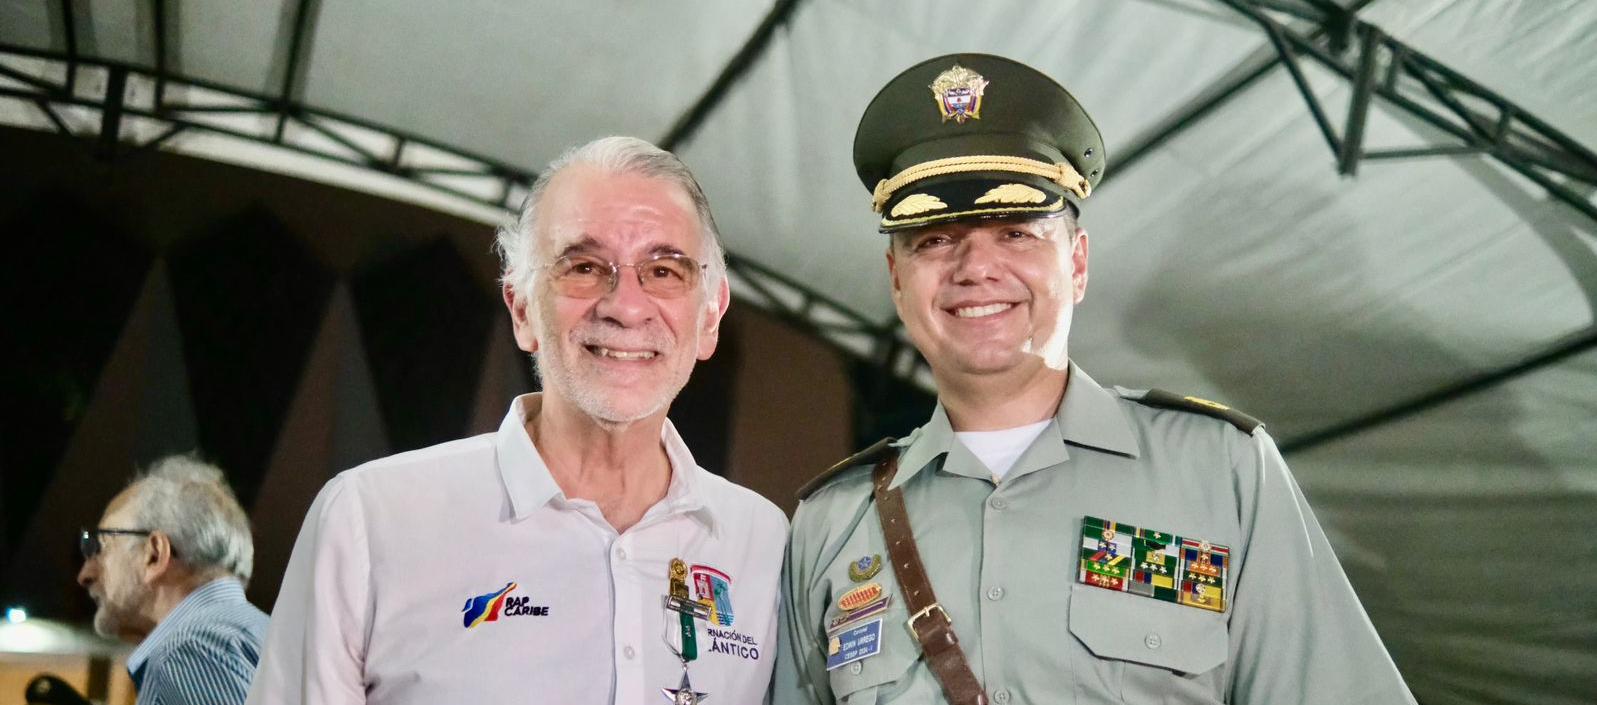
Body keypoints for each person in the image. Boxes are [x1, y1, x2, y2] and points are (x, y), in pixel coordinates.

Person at [775, 54, 1416, 705]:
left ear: (1076, 263)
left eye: (1015, 231)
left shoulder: (1220, 472)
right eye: (935, 239)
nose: (975, 267)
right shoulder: (831, 524)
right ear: (895, 278)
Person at [246, 136, 787, 705]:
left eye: (664, 270)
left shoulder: (765, 546)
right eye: (583, 266)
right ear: (522, 308)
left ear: (710, 315)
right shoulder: (369, 522)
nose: (625, 305)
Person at [77, 454, 269, 705]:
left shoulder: (188, 652)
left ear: (154, 554)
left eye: (100, 546)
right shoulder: (260, 632)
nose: (85, 575)